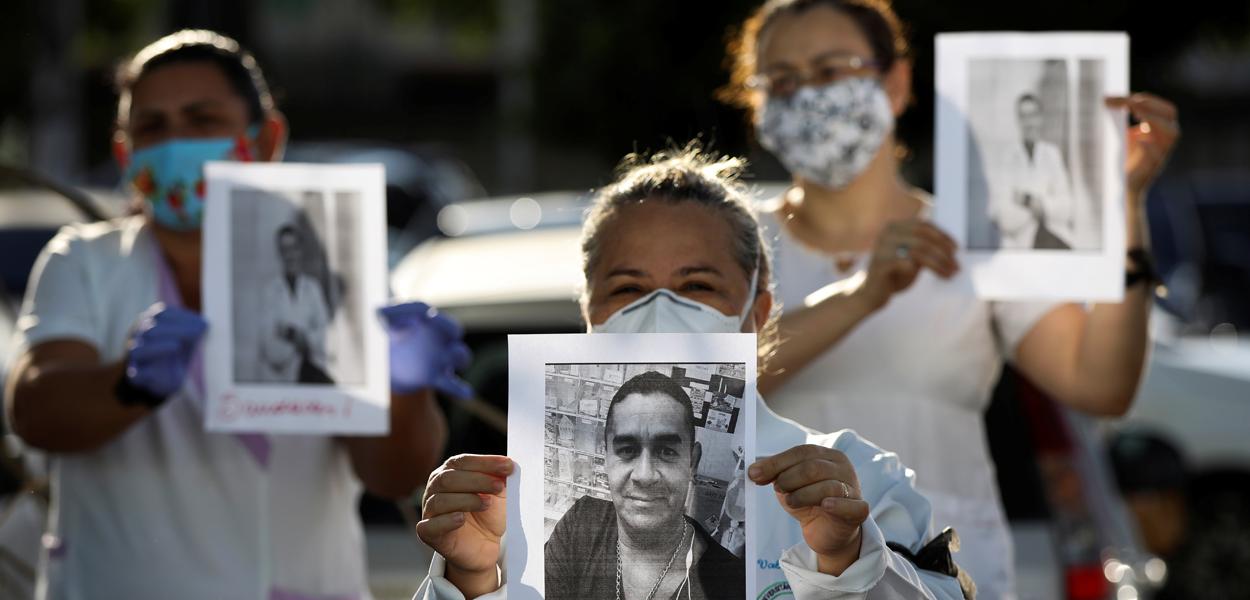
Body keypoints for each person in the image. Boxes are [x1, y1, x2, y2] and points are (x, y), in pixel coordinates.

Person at [719, 1, 1179, 597]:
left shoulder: (977, 236)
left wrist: (1126, 205)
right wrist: (861, 296)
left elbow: (1101, 385)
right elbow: (711, 385)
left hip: (949, 576)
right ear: (757, 104)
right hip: (781, 578)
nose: (807, 94)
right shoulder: (731, 246)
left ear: (897, 81)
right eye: (782, 81)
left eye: (832, 70)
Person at [3, 30, 471, 599]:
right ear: (125, 153)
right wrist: (127, 385)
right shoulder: (84, 262)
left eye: (202, 120)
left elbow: (395, 476)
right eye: (151, 127)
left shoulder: (336, 263)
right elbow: (33, 409)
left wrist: (402, 390)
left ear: (266, 137)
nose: (175, 143)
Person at [414, 149, 971, 600]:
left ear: (756, 313)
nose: (660, 308)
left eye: (698, 286)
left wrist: (847, 560)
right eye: (627, 288)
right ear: (588, 313)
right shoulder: (514, 507)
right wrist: (468, 580)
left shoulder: (857, 481)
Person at [545, 370, 744, 600]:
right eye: (627, 450)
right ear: (606, 457)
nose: (644, 475)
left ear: (692, 462)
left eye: (667, 451)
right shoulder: (580, 525)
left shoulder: (731, 583)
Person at [991, 93, 1076, 250]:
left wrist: (1027, 200)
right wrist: (1043, 207)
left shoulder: (1052, 154)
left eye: (1032, 115)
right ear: (1018, 120)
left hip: (1054, 240)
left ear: (1040, 118)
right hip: (1019, 246)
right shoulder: (1007, 157)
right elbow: (1002, 216)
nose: (1029, 122)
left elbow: (1067, 207)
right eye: (1023, 116)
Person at [259, 222, 333, 383]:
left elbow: (326, 336)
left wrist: (293, 334)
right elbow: (269, 347)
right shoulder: (270, 291)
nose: (290, 255)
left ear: (301, 251)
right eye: (285, 250)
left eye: (294, 248)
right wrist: (304, 339)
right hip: (281, 380)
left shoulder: (313, 289)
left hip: (311, 374)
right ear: (279, 253)